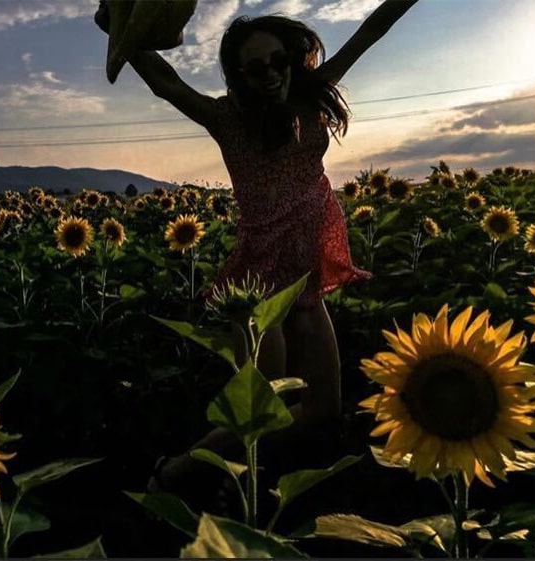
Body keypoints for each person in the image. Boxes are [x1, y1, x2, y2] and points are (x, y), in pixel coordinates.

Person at [96, 1, 419, 497]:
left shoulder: (313, 96)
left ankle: (243, 475)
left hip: (304, 275)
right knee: (262, 403)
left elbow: (372, 28)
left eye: (277, 61)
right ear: (240, 75)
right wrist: (121, 37)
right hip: (259, 283)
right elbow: (167, 84)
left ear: (293, 58)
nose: (269, 74)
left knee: (323, 408)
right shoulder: (228, 119)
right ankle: (180, 472)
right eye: (254, 67)